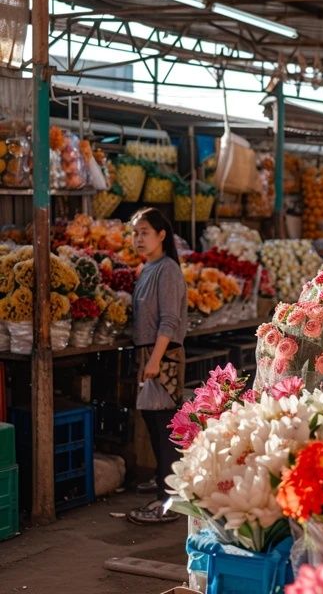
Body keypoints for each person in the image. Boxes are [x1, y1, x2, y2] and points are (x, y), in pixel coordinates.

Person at [127, 207, 187, 524]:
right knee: (153, 423)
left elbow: (170, 321)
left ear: (162, 235)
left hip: (164, 357)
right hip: (149, 354)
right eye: (135, 233)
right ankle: (164, 485)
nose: (138, 238)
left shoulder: (168, 271)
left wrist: (153, 360)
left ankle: (168, 500)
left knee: (163, 426)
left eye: (144, 232)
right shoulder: (148, 268)